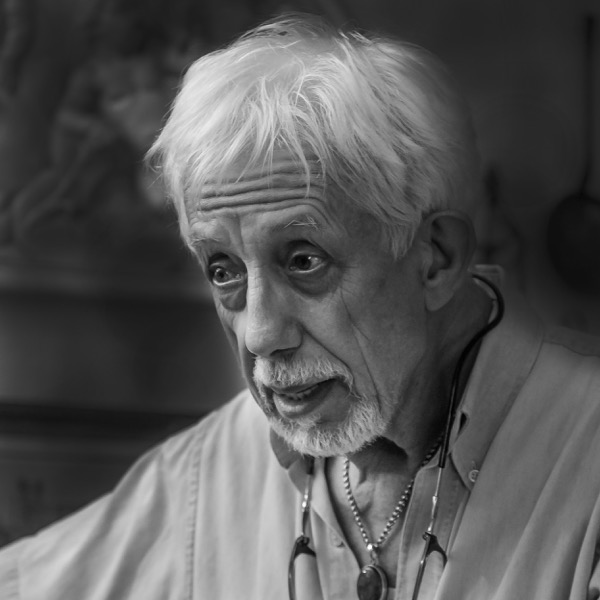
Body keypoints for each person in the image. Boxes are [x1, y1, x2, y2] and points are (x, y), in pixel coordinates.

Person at [1, 14, 600, 600]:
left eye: (304, 260)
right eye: (224, 270)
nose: (260, 335)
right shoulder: (210, 471)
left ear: (435, 258)